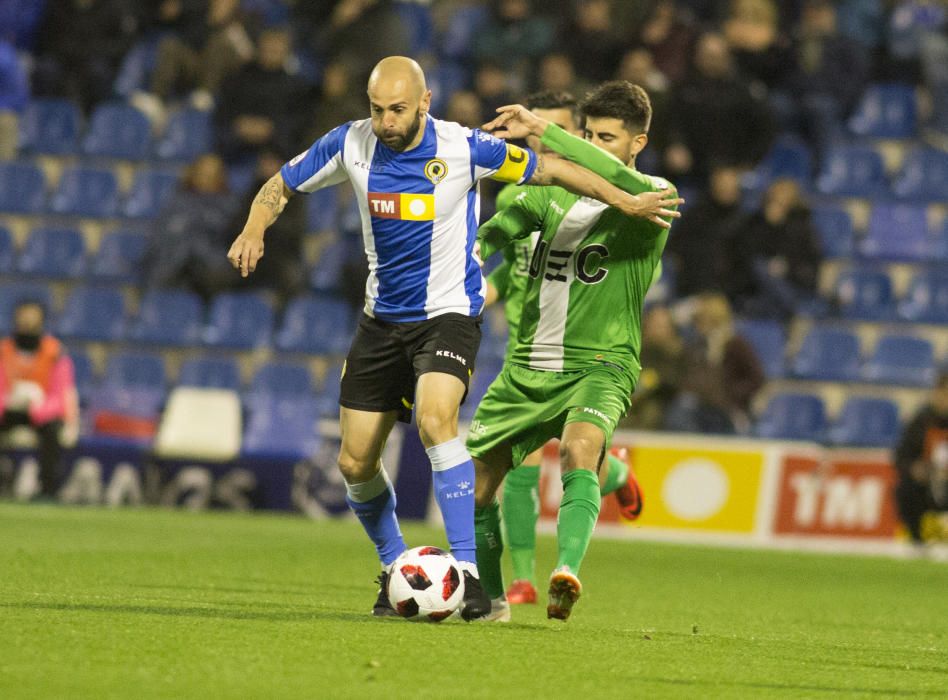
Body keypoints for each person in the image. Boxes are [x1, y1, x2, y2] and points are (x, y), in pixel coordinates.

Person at [226, 57, 681, 621]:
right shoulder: (350, 143)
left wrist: (623, 199)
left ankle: (466, 572)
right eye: (377, 109)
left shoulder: (464, 146)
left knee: (436, 420)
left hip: (448, 315)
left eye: (397, 109)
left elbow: (550, 170)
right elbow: (280, 183)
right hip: (381, 320)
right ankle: (396, 567)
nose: (387, 121)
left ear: (424, 101)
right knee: (353, 463)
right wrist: (253, 227)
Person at [467, 80, 683, 621]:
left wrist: (544, 130)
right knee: (476, 489)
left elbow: (614, 179)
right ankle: (490, 600)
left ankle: (566, 569)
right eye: (586, 134)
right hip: (528, 364)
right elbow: (506, 226)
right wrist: (472, 250)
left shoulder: (653, 196)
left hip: (602, 361)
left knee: (579, 448)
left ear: (638, 143)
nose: (590, 144)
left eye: (606, 137)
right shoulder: (547, 192)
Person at [0, 300, 78, 499]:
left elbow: (61, 395)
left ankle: (47, 490)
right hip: (9, 409)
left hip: (41, 412)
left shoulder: (55, 353)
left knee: (53, 431)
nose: (27, 322)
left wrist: (36, 409)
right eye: (23, 317)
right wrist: (7, 404)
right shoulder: (4, 351)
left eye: (32, 317)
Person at [894, 371, 948, 546]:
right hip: (926, 484)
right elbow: (901, 456)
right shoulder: (921, 421)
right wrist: (914, 468)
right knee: (905, 488)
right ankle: (917, 539)